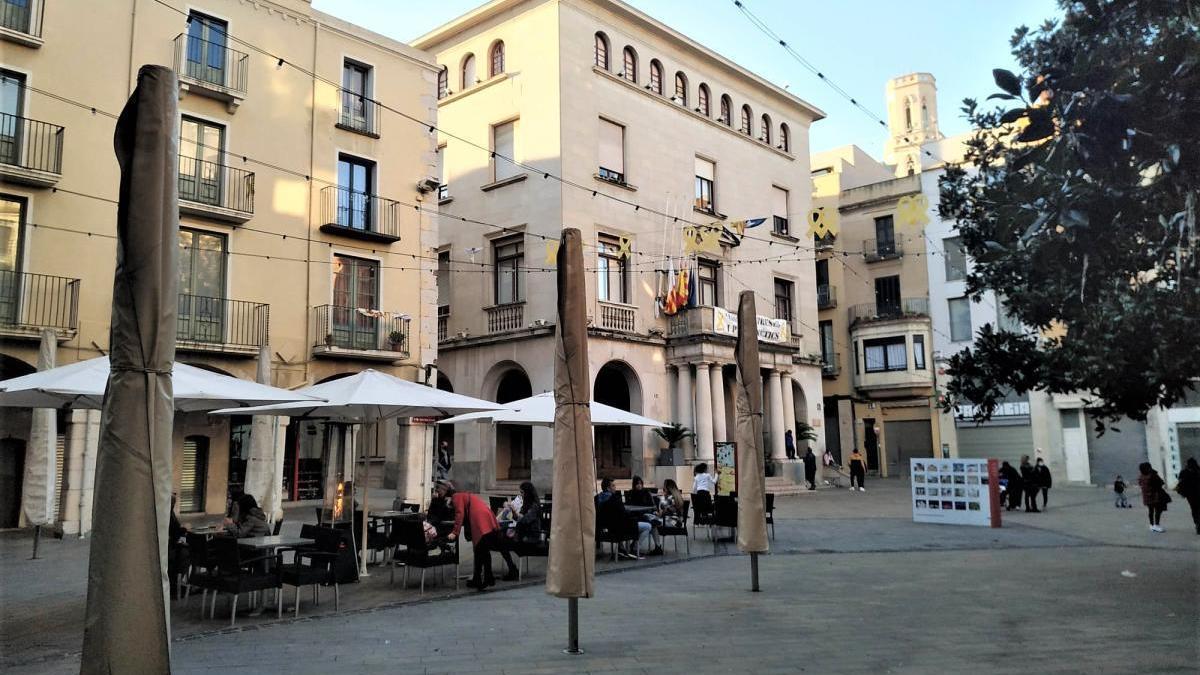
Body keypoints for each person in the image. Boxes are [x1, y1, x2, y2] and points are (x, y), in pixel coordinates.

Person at [438, 480, 519, 589]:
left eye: (439, 489)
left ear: (446, 490)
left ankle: (483, 578)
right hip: (485, 517)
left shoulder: (456, 497)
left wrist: (455, 532)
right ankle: (485, 578)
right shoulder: (462, 495)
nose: (438, 491)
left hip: (480, 520)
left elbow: (459, 514)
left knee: (480, 549)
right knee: (483, 549)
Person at [595, 477, 652, 559]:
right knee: (648, 526)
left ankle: (622, 548)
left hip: (605, 529)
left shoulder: (597, 498)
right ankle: (635, 548)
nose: (615, 488)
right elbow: (623, 514)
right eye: (613, 486)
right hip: (621, 528)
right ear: (608, 488)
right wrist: (635, 519)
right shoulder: (614, 499)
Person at [1137, 461, 1169, 533]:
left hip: (1146, 496)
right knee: (1158, 510)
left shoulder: (1141, 476)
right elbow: (1161, 483)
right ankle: (1156, 525)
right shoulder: (1152, 475)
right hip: (1155, 495)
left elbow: (1140, 484)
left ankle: (1151, 525)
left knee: (1151, 511)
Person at [1174, 457, 1200, 535]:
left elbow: (1180, 483)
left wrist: (1181, 492)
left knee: (1194, 509)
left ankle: (1197, 523)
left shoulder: (1184, 472)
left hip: (1190, 495)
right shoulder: (1198, 471)